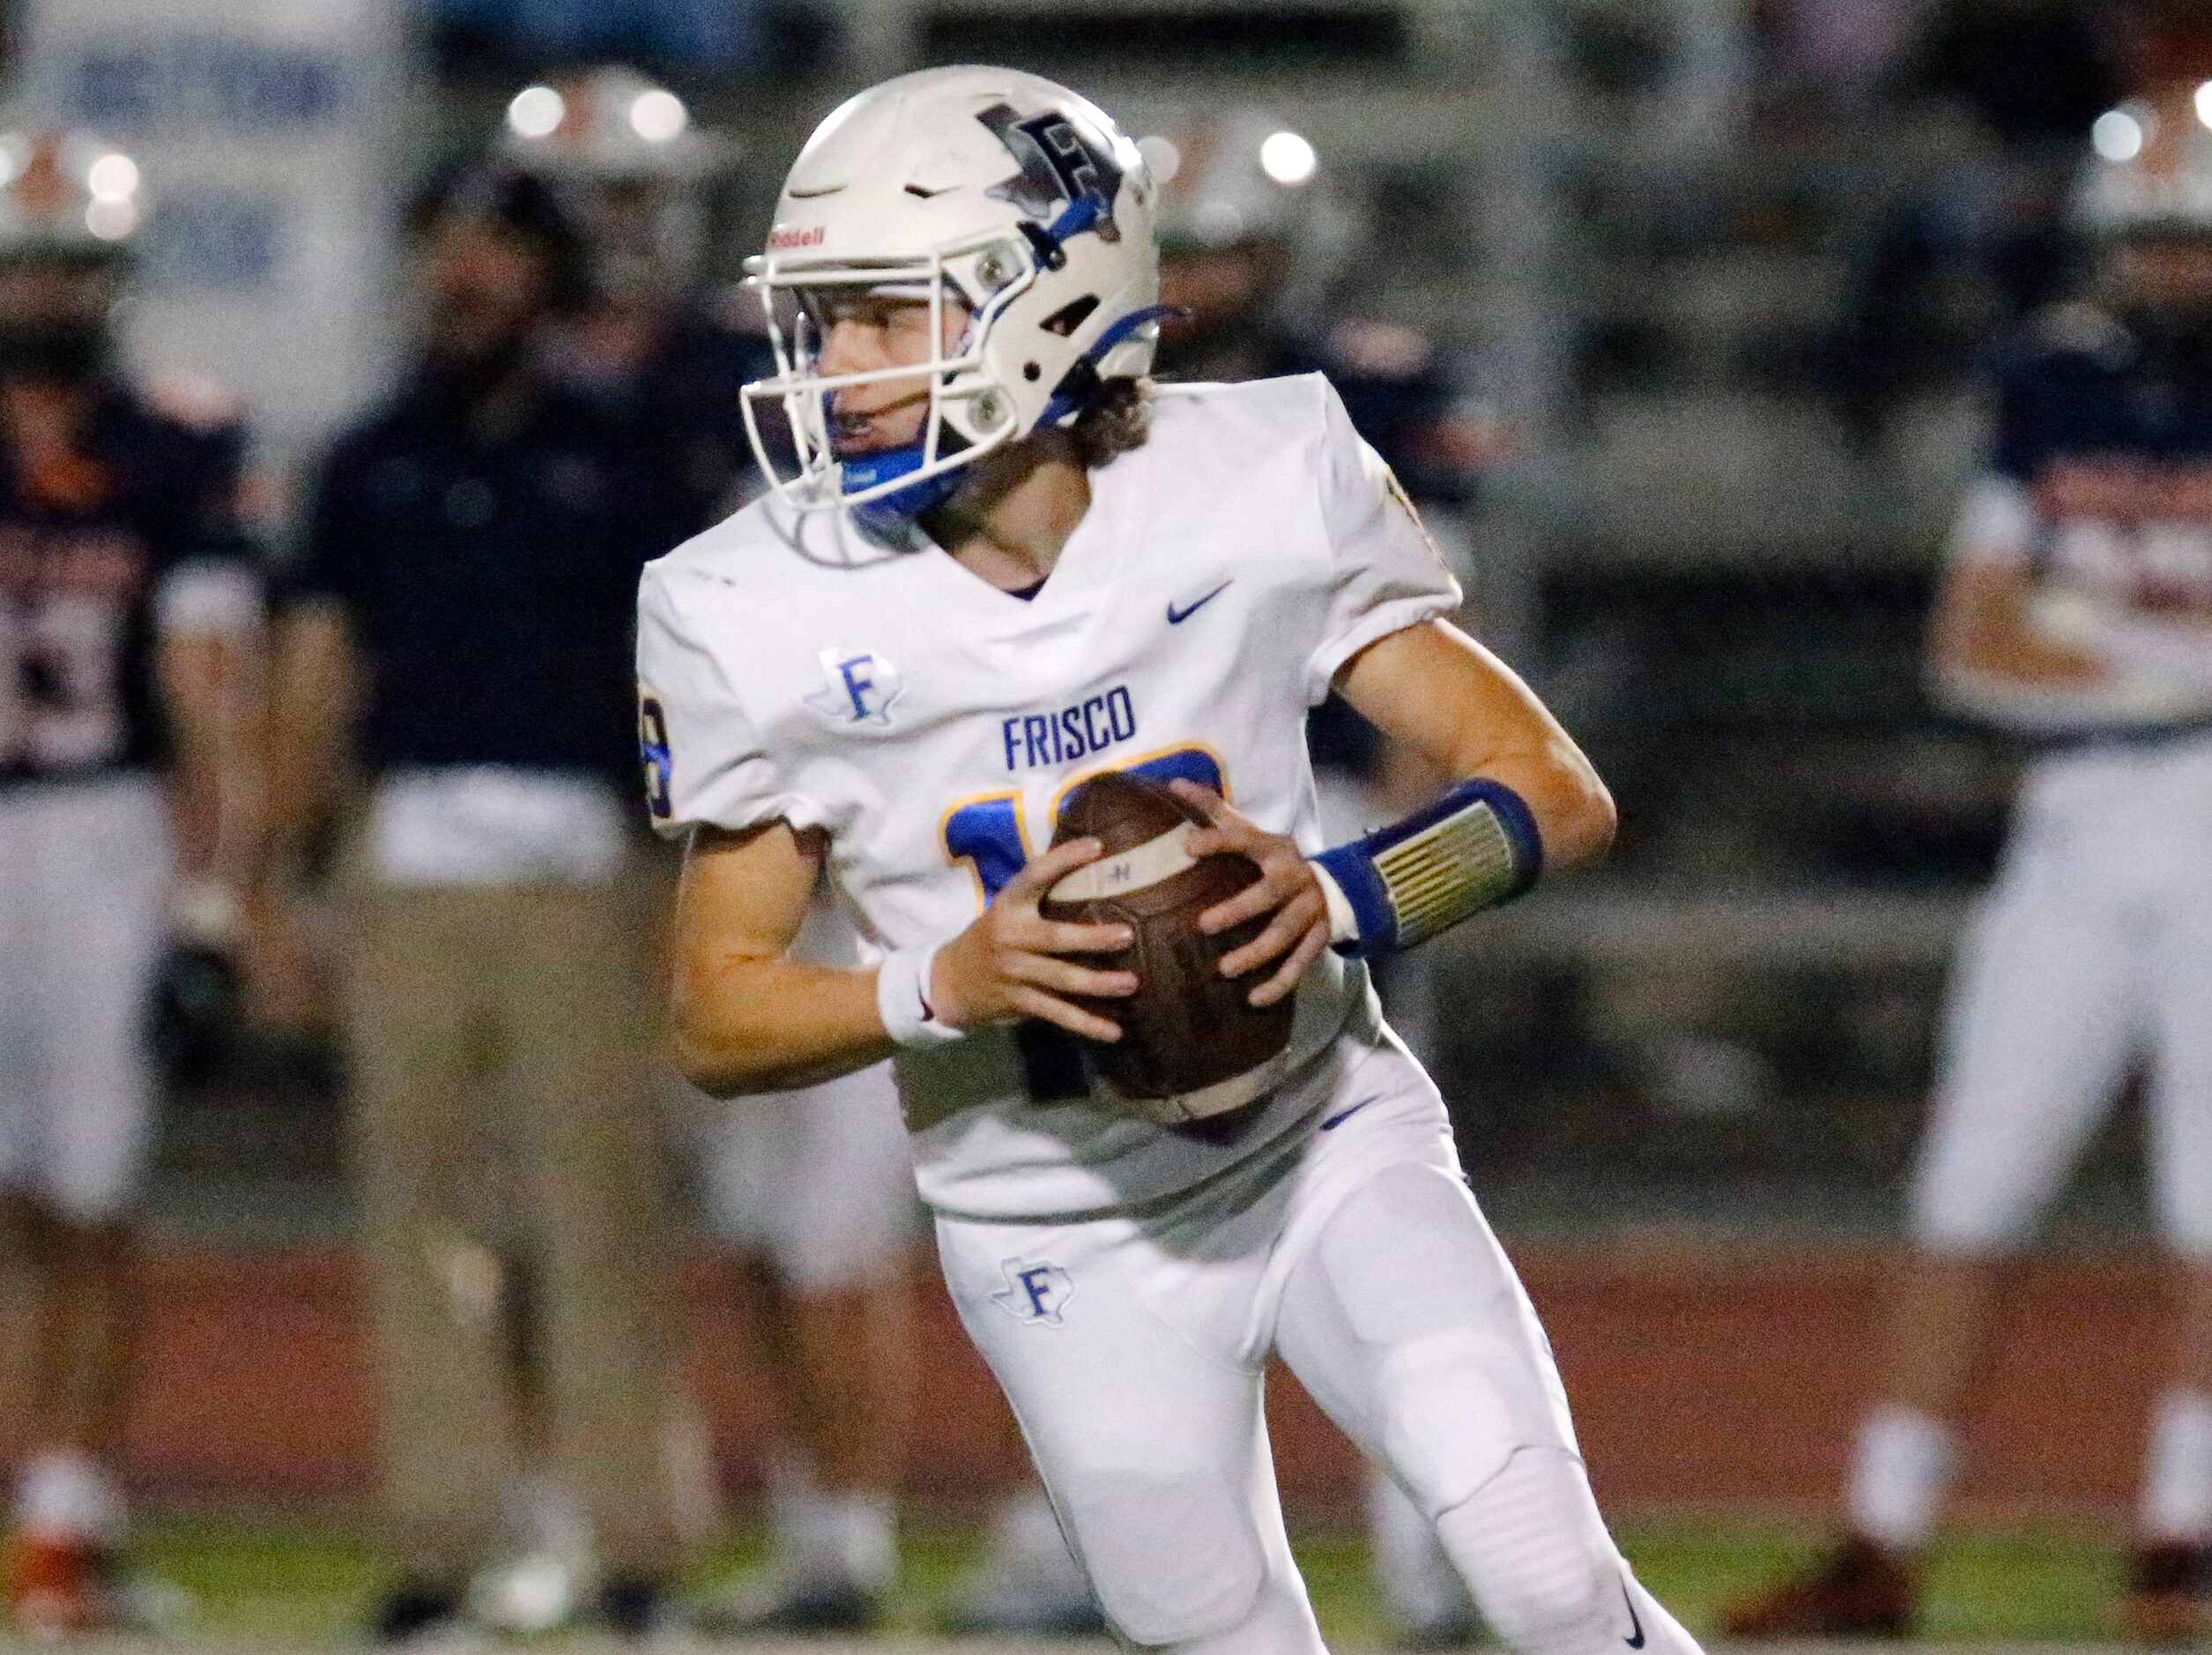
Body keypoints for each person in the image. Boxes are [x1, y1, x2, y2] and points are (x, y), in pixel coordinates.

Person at [640, 65, 1706, 1655]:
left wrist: (1347, 894)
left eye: (883, 314)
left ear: (1040, 301)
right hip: (1050, 1225)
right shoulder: (747, 599)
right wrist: (947, 980)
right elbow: (715, 1018)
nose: (835, 370)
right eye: (824, 319)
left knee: (1549, 1583)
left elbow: (1553, 791)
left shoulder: (1259, 470)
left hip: (1325, 1135)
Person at [1722, 71, 2212, 1641]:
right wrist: (2159, 655)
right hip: (2072, 816)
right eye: (2148, 242)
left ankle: (2180, 1535)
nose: (2169, 272)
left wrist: (2088, 633)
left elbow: (2032, 626)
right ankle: (1878, 1538)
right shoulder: (2055, 378)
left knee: (2210, 1201)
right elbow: (1967, 644)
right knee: (1968, 1184)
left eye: (2193, 241)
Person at [504, 65, 917, 1633]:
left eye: (631, 198)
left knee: (831, 1223)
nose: (610, 235)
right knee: (744, 1221)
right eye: (582, 202)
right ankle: (809, 1523)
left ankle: (861, 1529)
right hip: (670, 831)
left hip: (835, 827)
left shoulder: (744, 367)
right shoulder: (509, 387)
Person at [267, 165, 686, 1642]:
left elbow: (682, 674)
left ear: (548, 279)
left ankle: (630, 1537)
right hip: (410, 861)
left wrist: (687, 870)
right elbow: (318, 672)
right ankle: (444, 1537)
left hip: (580, 864)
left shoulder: (625, 450)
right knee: (420, 1219)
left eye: (497, 258)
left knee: (598, 1213)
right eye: (449, 255)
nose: (467, 283)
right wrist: (275, 875)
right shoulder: (370, 454)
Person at [0, 130, 262, 1632]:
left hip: (99, 830)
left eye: (69, 267)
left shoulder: (174, 442)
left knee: (92, 1193)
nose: (44, 293)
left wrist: (213, 899)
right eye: (27, 264)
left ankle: (59, 1523)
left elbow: (210, 678)